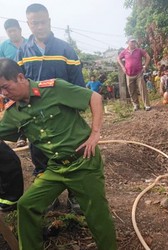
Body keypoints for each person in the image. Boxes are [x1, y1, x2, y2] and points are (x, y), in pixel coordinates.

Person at [0, 58, 117, 250]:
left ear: (20, 77)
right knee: (27, 205)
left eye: (6, 87)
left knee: (97, 215)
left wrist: (95, 133)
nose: (4, 94)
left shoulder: (54, 88)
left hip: (83, 162)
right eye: (0, 90)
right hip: (55, 167)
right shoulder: (13, 112)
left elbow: (94, 98)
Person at [16, 3, 85, 213]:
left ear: (49, 21)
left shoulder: (66, 49)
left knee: (71, 154)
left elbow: (77, 83)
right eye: (34, 23)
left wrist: (78, 108)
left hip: (63, 115)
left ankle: (76, 197)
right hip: (36, 117)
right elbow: (19, 83)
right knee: (40, 156)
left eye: (42, 21)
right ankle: (50, 196)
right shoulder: (23, 52)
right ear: (28, 24)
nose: (39, 26)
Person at [0, 18, 28, 147]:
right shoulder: (4, 47)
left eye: (14, 31)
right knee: (15, 110)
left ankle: (28, 133)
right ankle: (20, 135)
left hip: (26, 83)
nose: (12, 34)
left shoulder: (29, 44)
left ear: (20, 30)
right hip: (10, 86)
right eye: (9, 31)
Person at [117, 37, 152, 111]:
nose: (133, 43)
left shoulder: (139, 50)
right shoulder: (124, 51)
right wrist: (123, 67)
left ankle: (147, 105)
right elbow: (118, 58)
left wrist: (145, 66)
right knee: (131, 90)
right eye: (131, 42)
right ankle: (136, 105)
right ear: (128, 42)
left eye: (134, 42)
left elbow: (147, 57)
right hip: (129, 74)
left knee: (142, 88)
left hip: (139, 73)